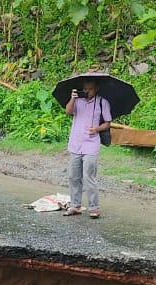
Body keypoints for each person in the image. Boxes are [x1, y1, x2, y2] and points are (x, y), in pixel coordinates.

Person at [63, 78, 111, 219]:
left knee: (89, 176)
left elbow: (107, 123)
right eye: (84, 89)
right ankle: (75, 205)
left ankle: (94, 208)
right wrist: (72, 98)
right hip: (75, 143)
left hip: (91, 144)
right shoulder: (77, 100)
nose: (86, 92)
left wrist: (96, 129)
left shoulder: (103, 102)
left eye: (89, 89)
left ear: (96, 89)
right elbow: (68, 111)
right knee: (73, 176)